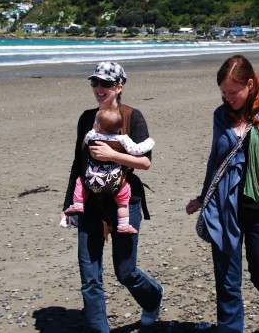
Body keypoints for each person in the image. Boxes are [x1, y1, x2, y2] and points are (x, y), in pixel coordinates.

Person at [185, 55, 259, 333]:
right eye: (223, 92)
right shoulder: (220, 115)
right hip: (226, 207)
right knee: (226, 279)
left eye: (233, 92)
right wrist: (203, 198)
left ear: (249, 84)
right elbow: (216, 160)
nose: (228, 98)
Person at [62, 61, 164, 332]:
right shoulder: (87, 119)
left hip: (124, 203)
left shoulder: (133, 117)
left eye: (105, 83)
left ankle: (152, 297)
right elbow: (77, 164)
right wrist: (68, 205)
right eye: (94, 82)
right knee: (90, 277)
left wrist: (113, 156)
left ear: (119, 87)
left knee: (125, 272)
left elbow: (146, 163)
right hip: (89, 205)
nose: (99, 88)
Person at [63, 107, 156, 234]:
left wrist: (108, 153)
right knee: (123, 199)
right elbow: (137, 150)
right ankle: (123, 224)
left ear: (99, 127)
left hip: (92, 181)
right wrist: (150, 143)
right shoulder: (122, 139)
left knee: (80, 182)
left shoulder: (92, 135)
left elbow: (82, 152)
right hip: (114, 182)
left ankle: (78, 204)